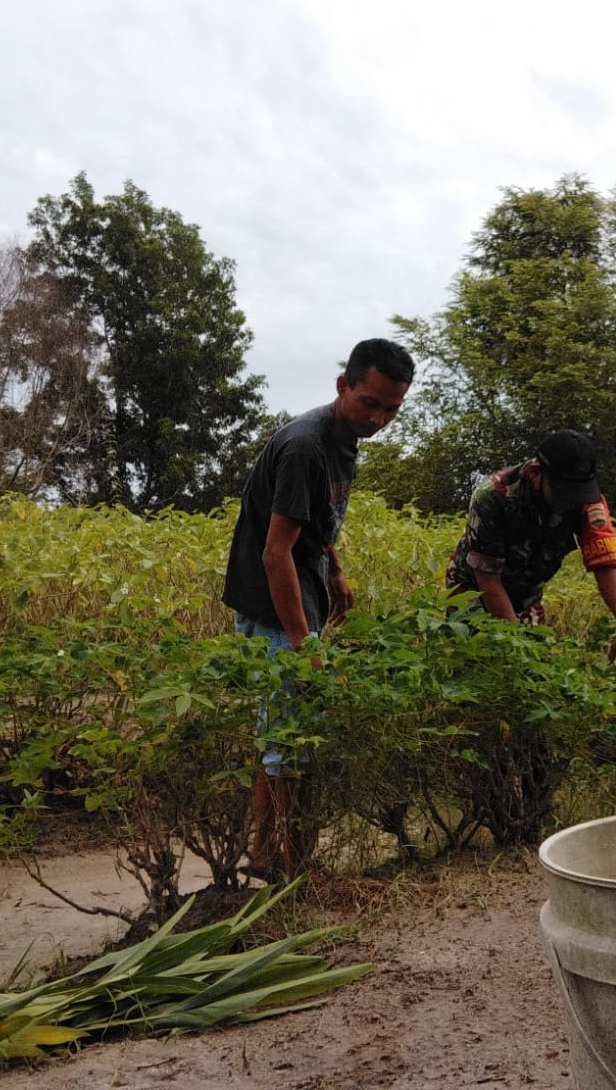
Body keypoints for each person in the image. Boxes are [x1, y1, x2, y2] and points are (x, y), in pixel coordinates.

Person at [223, 337, 414, 879]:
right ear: (342, 387)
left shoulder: (344, 438)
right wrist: (302, 640)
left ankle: (272, 854)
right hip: (274, 605)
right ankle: (284, 860)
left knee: (286, 736)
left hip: (304, 592)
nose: (379, 418)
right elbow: (275, 551)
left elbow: (314, 522)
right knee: (289, 741)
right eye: (370, 404)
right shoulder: (306, 446)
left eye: (392, 409)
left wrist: (335, 569)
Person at [445, 429, 616, 675]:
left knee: (536, 677)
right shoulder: (493, 496)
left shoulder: (586, 499)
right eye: (562, 491)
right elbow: (488, 578)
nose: (571, 502)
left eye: (577, 493)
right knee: (475, 668)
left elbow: (605, 563)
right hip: (472, 588)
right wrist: (516, 646)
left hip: (528, 594)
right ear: (535, 473)